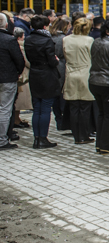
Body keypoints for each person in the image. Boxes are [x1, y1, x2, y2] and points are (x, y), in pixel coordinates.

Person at [24, 15, 61, 149]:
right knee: (45, 108)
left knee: (37, 108)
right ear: (45, 26)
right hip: (47, 75)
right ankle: (43, 138)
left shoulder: (28, 39)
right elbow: (52, 61)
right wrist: (56, 60)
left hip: (34, 73)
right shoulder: (47, 40)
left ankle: (36, 138)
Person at [89, 19, 109, 154]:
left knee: (102, 113)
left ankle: (100, 143)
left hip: (94, 81)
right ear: (108, 31)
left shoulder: (96, 42)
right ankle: (106, 145)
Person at [62, 17, 95, 144]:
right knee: (85, 108)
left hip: (71, 73)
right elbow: (92, 56)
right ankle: (84, 135)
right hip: (85, 73)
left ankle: (76, 136)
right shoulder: (89, 40)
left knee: (73, 107)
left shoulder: (66, 39)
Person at [0, 13, 25, 150]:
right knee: (5, 109)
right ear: (5, 25)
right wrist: (17, 73)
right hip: (7, 78)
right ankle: (2, 140)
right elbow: (19, 60)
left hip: (7, 77)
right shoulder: (9, 40)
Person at [50, 17, 71, 131]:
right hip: (63, 67)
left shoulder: (50, 37)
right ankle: (63, 120)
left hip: (52, 68)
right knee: (63, 94)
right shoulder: (65, 39)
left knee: (55, 96)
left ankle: (58, 119)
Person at [13, 27, 32, 129]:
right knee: (19, 101)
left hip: (17, 76)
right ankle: (16, 120)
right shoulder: (21, 47)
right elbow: (27, 62)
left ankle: (17, 119)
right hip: (23, 77)